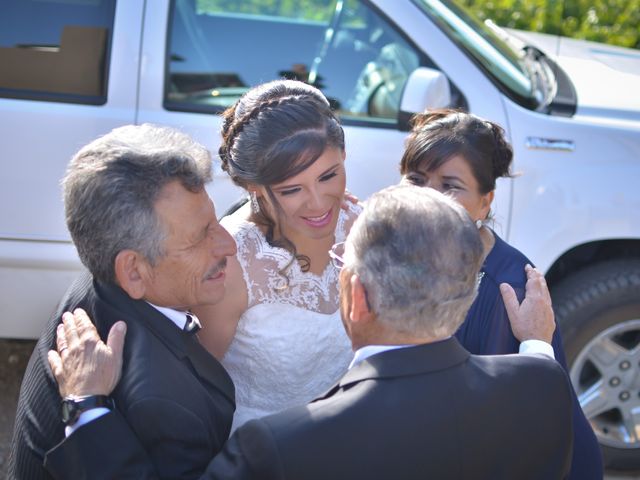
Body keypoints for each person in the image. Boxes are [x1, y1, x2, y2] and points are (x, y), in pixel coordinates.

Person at [46, 185, 574, 479]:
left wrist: (87, 406)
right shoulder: (542, 385)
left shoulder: (277, 448)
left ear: (355, 297)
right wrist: (535, 343)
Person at [9, 124, 237, 479]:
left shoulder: (97, 284)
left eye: (215, 221)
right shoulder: (162, 404)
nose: (229, 245)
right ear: (133, 270)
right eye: (199, 237)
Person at [399, 109, 603, 479]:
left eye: (450, 186)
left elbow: (510, 420)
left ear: (485, 202)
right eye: (416, 179)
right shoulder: (399, 253)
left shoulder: (508, 289)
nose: (429, 199)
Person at [193, 79, 360, 430]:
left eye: (329, 176)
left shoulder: (359, 225)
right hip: (260, 453)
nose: (318, 202)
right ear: (254, 186)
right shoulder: (232, 262)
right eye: (292, 189)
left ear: (343, 155)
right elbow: (199, 389)